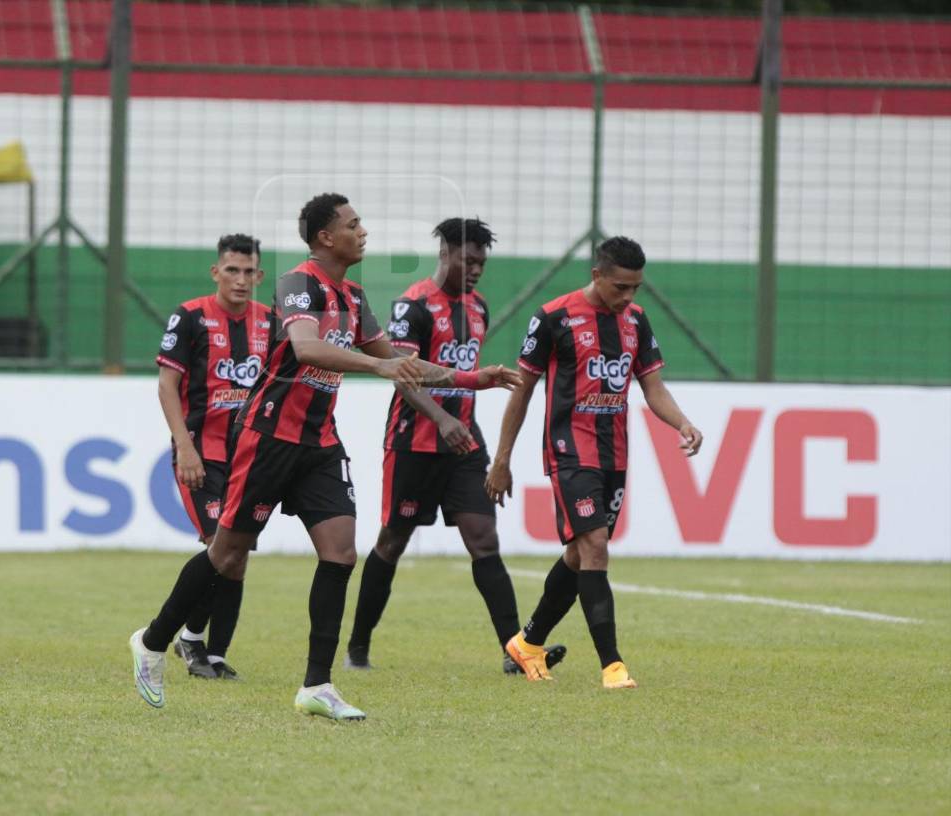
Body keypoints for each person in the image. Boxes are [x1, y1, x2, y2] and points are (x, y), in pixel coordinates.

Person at [130, 193, 519, 720]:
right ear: (324, 238)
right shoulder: (297, 285)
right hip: (268, 438)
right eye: (353, 225)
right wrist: (377, 367)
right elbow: (308, 349)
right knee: (225, 555)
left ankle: (318, 684)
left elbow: (402, 362)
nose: (363, 232)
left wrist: (475, 378)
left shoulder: (355, 298)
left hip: (319, 443)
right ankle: (153, 643)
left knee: (340, 553)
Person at [345, 217, 565, 676]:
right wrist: (441, 418)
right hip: (414, 444)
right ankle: (357, 648)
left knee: (484, 541)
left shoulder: (479, 307)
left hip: (463, 444)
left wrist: (463, 427)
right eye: (469, 260)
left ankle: (515, 652)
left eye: (482, 263)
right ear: (444, 252)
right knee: (392, 542)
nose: (476, 270)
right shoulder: (413, 306)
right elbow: (403, 375)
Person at [486, 236, 703, 689]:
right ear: (597, 276)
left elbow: (653, 387)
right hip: (568, 451)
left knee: (577, 554)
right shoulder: (552, 318)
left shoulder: (636, 321)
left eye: (636, 288)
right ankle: (612, 666)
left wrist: (681, 422)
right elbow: (522, 392)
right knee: (597, 546)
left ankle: (526, 644)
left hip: (614, 454)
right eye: (621, 287)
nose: (628, 297)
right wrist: (502, 460)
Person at [154, 234, 271, 681]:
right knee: (220, 548)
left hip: (252, 457)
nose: (240, 280)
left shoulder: (273, 321)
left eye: (248, 272)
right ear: (216, 272)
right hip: (202, 454)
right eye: (232, 270)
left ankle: (210, 651)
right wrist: (184, 447)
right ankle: (187, 640)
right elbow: (167, 386)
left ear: (259, 276)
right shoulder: (190, 317)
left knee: (237, 553)